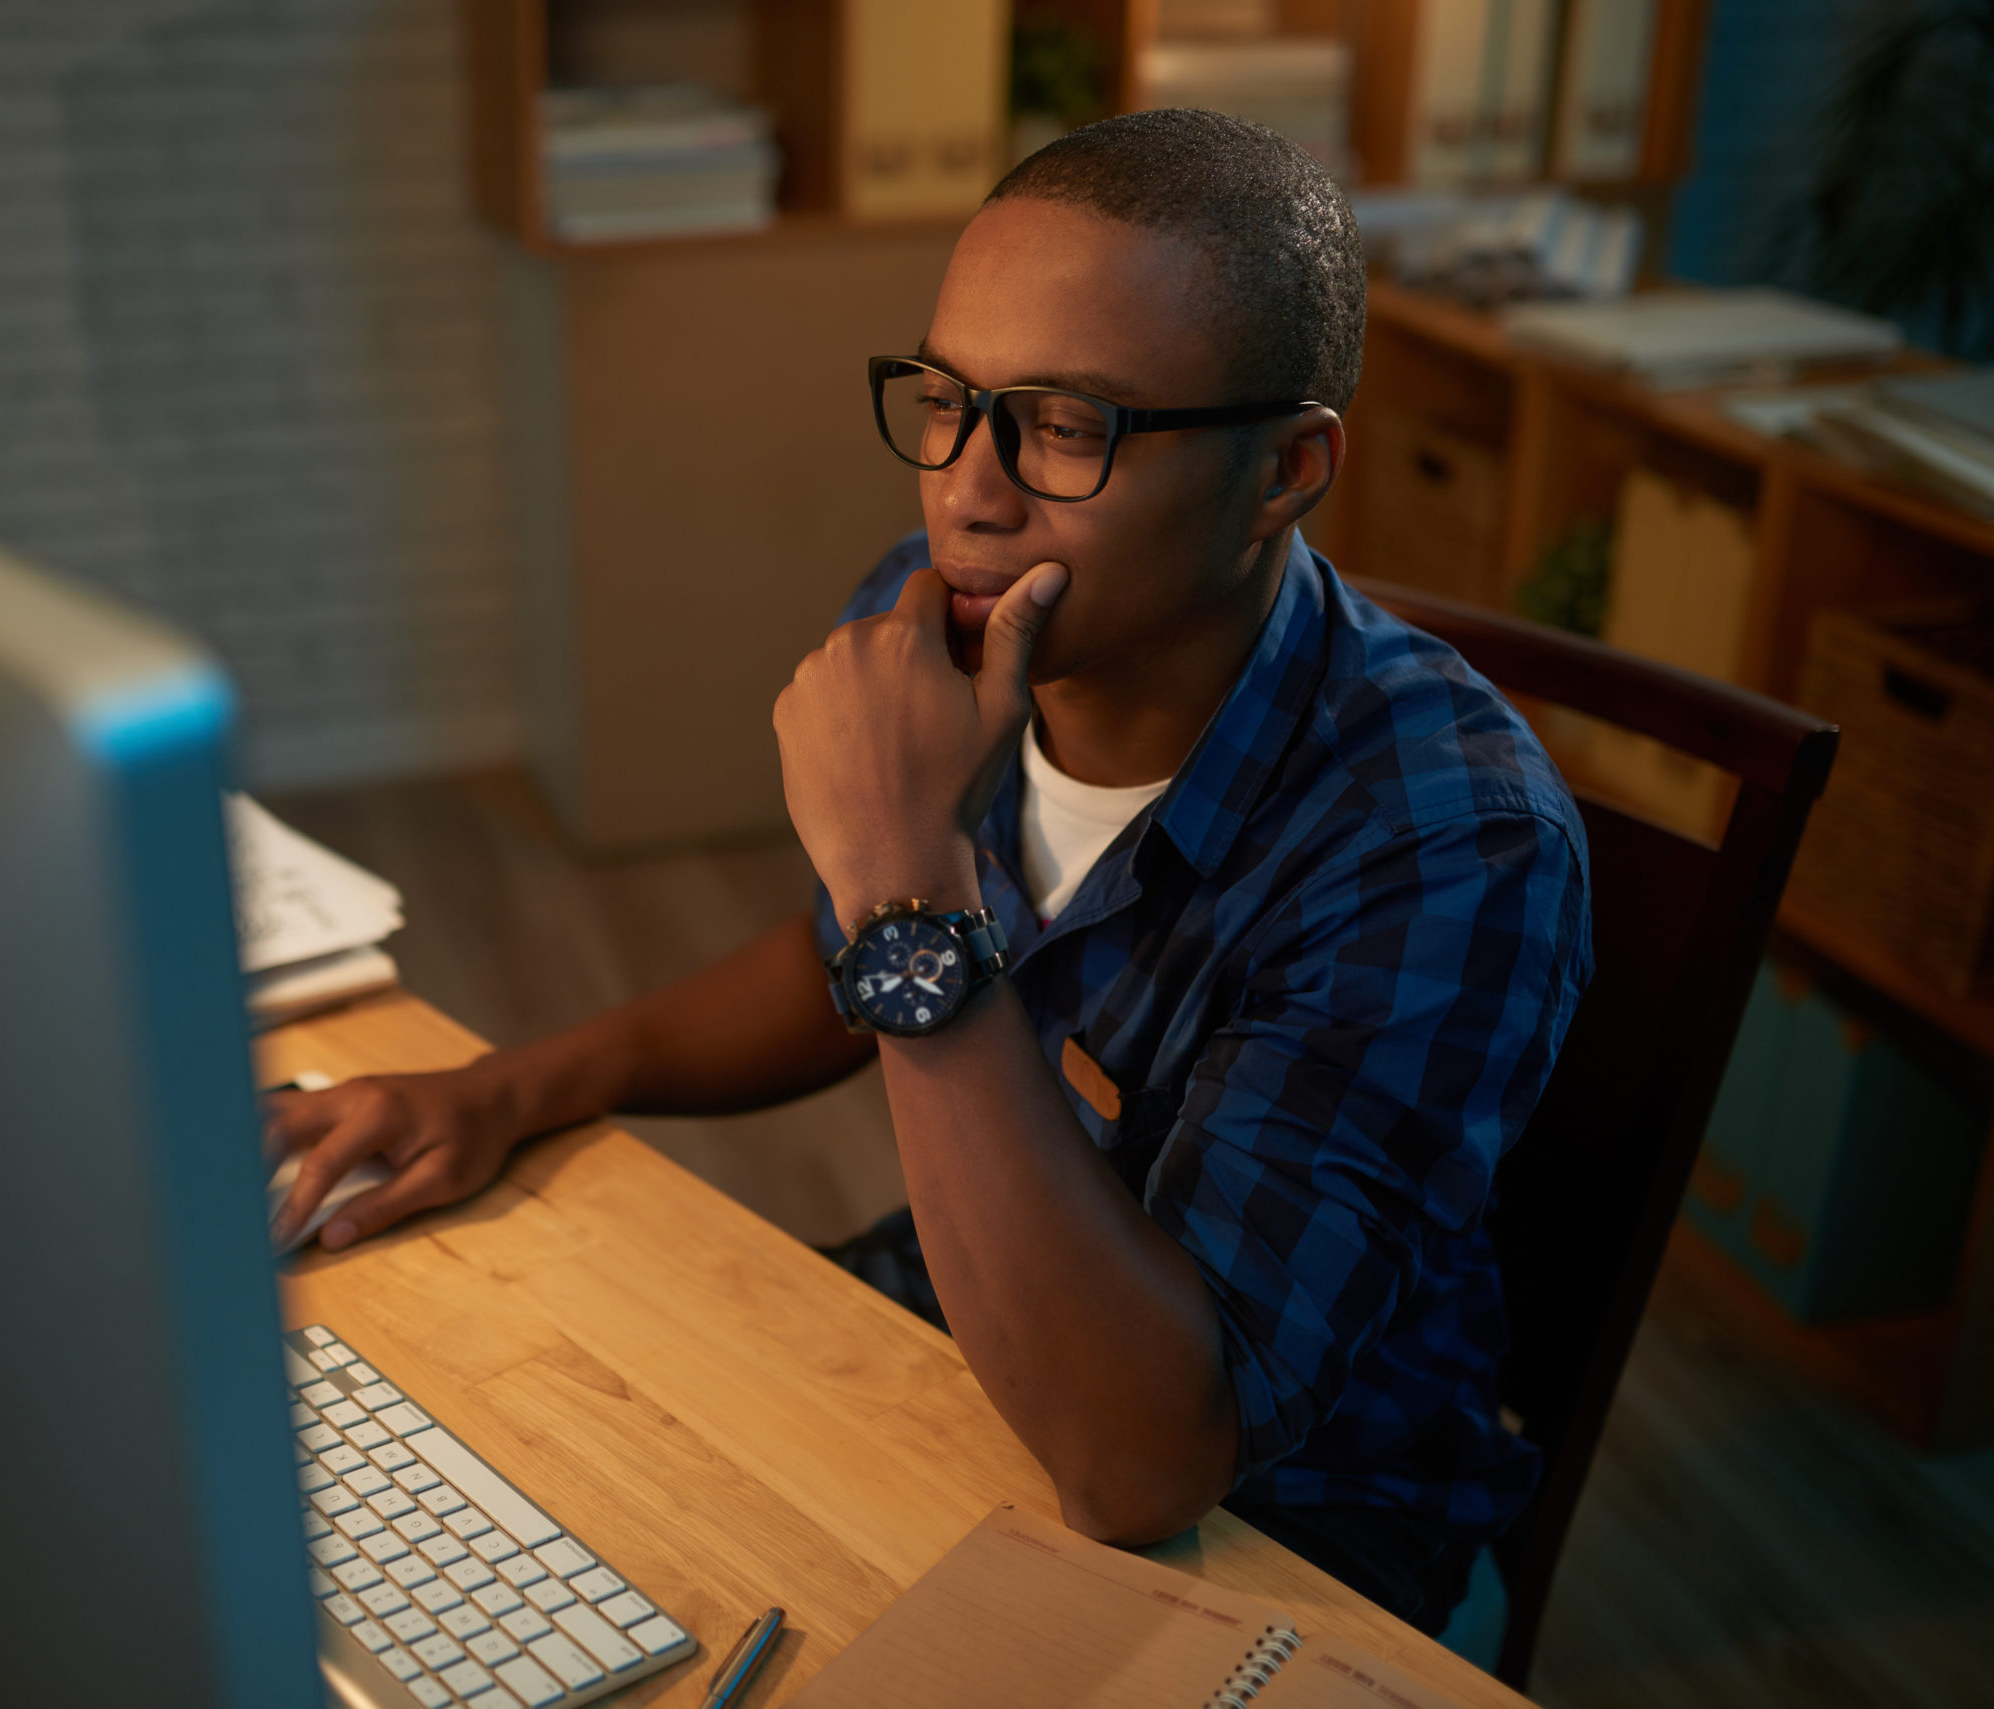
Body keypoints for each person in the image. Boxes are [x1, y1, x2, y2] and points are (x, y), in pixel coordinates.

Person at [269, 109, 1591, 1636]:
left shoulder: (1448, 843)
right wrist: (515, 1087)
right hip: (955, 1343)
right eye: (949, 400)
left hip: (1283, 1537)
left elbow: (1146, 1456)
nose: (966, 493)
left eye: (1067, 424)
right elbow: (840, 963)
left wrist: (908, 882)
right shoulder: (945, 614)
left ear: (1286, 469)